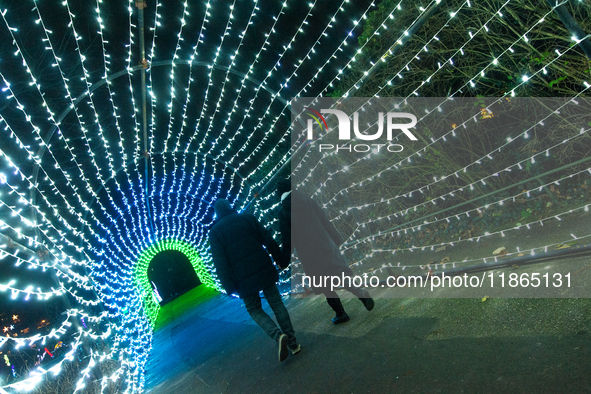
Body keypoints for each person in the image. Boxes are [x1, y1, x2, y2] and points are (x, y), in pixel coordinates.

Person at [208, 198, 300, 362]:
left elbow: (220, 263)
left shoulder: (215, 232)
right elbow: (267, 239)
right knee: (276, 303)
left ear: (217, 213)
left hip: (241, 278)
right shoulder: (247, 218)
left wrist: (229, 287)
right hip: (263, 267)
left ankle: (277, 335)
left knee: (254, 309)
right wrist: (279, 258)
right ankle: (293, 344)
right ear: (230, 207)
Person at [276, 179, 374, 324]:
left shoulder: (284, 212)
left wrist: (283, 261)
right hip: (324, 244)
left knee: (324, 284)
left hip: (309, 254)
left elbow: (287, 240)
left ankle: (340, 313)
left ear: (280, 193)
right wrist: (336, 239)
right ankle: (360, 293)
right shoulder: (307, 200)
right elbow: (324, 220)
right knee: (338, 274)